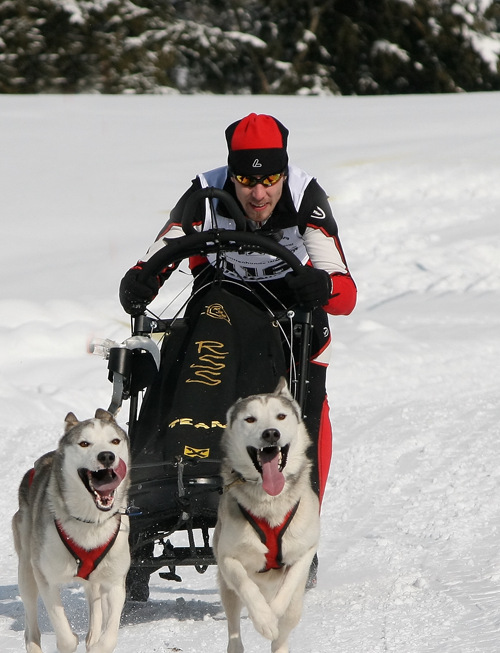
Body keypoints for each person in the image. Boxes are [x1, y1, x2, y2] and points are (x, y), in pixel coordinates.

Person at [119, 112, 357, 519]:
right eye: (246, 181)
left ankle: (305, 512)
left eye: (270, 181)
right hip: (223, 294)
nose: (259, 194)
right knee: (190, 340)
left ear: (284, 172)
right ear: (231, 175)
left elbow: (345, 293)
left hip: (289, 307)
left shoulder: (306, 195)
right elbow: (164, 246)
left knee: (310, 393)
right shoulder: (205, 189)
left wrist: (323, 286)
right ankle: (159, 472)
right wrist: (140, 280)